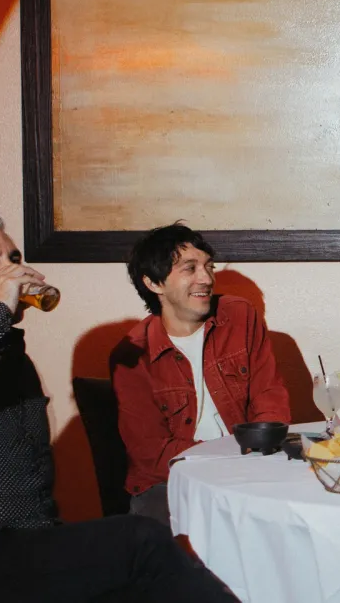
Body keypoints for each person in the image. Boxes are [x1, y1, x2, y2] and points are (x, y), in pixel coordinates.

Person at [0, 212, 238, 602]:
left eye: (13, 259)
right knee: (141, 539)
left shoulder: (10, 361)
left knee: (157, 568)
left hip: (27, 549)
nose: (11, 273)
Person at [110, 223, 290, 526]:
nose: (206, 279)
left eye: (208, 266)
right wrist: (228, 459)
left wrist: (260, 452)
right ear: (154, 283)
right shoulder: (133, 355)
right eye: (190, 268)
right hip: (171, 480)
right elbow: (150, 453)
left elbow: (269, 395)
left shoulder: (240, 316)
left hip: (248, 467)